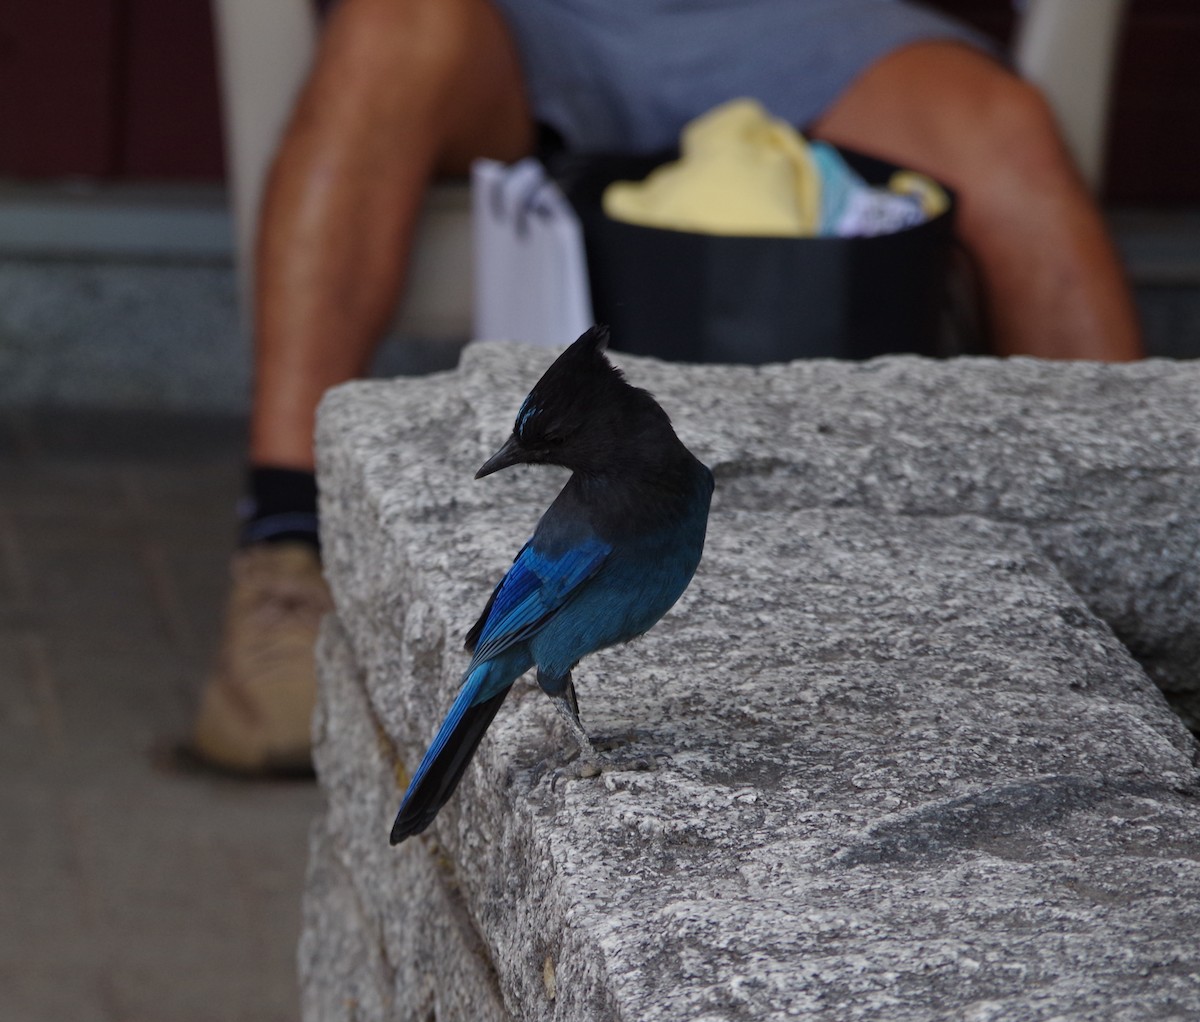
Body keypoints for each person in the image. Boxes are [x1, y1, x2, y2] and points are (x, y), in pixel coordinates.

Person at [191, 0, 1144, 773]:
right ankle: (286, 546)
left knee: (1005, 131)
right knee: (388, 34)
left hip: (804, 23)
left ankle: (1144, 554)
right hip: (526, 20)